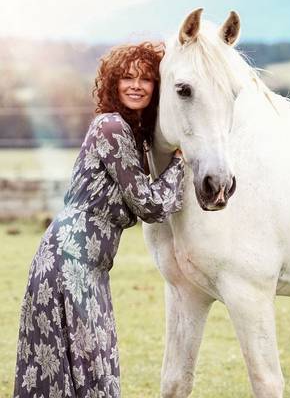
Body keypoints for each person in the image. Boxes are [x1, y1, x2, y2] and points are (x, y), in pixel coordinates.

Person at [13, 42, 184, 397]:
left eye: (146, 78)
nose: (136, 85)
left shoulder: (132, 134)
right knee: (82, 365)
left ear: (157, 87)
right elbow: (149, 205)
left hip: (89, 265)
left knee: (86, 363)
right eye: (127, 77)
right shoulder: (111, 127)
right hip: (68, 261)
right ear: (112, 83)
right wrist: (183, 162)